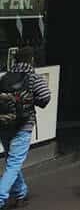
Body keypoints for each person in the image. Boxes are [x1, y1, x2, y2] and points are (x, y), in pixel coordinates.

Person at [0, 46, 51, 208]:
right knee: (14, 163)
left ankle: (21, 192)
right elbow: (45, 97)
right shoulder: (33, 77)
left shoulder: (5, 77)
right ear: (31, 60)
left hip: (4, 124)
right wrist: (30, 101)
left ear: (15, 60)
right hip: (23, 125)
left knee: (11, 161)